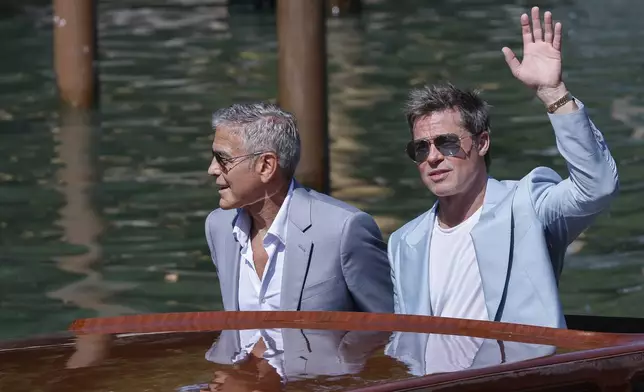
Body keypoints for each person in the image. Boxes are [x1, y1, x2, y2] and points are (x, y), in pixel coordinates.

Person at [387, 7, 619, 329]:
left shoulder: (528, 207)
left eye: (448, 143)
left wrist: (554, 94)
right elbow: (407, 336)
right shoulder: (403, 241)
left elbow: (596, 187)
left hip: (516, 378)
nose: (434, 156)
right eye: (421, 148)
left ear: (482, 143)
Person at [204, 101, 394, 313]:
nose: (212, 169)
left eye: (223, 159)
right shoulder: (218, 226)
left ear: (266, 166)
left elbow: (391, 327)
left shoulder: (344, 229)